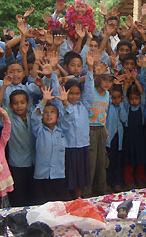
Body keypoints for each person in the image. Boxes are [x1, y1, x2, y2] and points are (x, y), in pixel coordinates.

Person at [59, 50, 96, 199]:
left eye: (76, 93)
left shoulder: (84, 105)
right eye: (71, 93)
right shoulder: (62, 106)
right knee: (69, 175)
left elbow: (89, 91)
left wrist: (90, 68)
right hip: (68, 146)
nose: (74, 96)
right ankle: (68, 199)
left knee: (80, 175)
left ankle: (79, 199)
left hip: (82, 145)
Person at [31, 86, 72, 204]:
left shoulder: (62, 131)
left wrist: (65, 101)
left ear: (58, 117)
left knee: (58, 204)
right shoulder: (39, 130)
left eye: (52, 113)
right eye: (46, 113)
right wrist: (44, 101)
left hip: (58, 174)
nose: (49, 115)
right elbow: (34, 117)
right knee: (42, 204)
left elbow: (69, 117)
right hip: (41, 175)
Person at [87, 63, 113, 196]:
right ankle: (88, 192)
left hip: (101, 129)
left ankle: (101, 190)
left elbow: (104, 113)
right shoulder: (91, 91)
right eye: (104, 79)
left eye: (110, 80)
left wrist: (105, 128)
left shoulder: (107, 94)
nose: (107, 83)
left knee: (102, 161)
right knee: (91, 162)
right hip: (90, 130)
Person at [106, 84, 126, 192]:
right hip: (110, 137)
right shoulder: (108, 106)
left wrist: (121, 105)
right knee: (109, 161)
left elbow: (124, 118)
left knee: (118, 161)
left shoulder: (121, 106)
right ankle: (108, 182)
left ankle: (117, 182)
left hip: (119, 137)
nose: (116, 100)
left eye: (118, 97)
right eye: (113, 97)